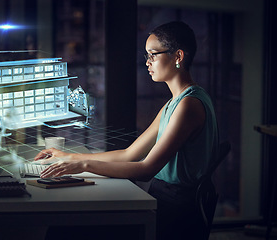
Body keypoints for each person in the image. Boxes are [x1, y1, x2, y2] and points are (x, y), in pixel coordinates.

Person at [35, 21, 219, 240]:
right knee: (65, 229)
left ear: (178, 57)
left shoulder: (188, 106)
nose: (148, 63)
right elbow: (129, 154)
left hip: (173, 214)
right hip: (161, 201)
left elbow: (146, 169)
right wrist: (70, 157)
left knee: (64, 232)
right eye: (146, 56)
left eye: (153, 55)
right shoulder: (175, 103)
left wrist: (83, 165)